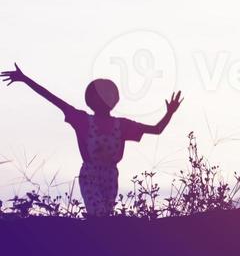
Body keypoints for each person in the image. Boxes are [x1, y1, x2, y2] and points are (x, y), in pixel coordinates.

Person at [1, 65, 181, 218]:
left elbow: (156, 130)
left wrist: (170, 113)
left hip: (111, 176)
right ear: (91, 100)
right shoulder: (82, 120)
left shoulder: (123, 125)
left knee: (105, 217)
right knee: (98, 215)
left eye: (107, 95)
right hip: (90, 175)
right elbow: (53, 98)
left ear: (113, 99)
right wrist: (25, 79)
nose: (104, 98)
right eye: (99, 95)